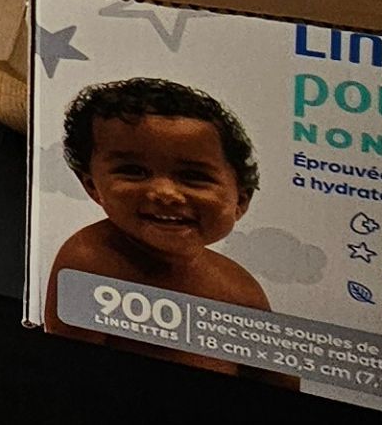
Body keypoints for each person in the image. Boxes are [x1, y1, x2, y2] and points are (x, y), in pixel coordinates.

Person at [40, 76, 296, 386]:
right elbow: (67, 372)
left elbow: (280, 380)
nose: (164, 193)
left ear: (240, 200)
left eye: (193, 176)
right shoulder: (90, 262)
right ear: (92, 186)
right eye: (133, 171)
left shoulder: (239, 289)